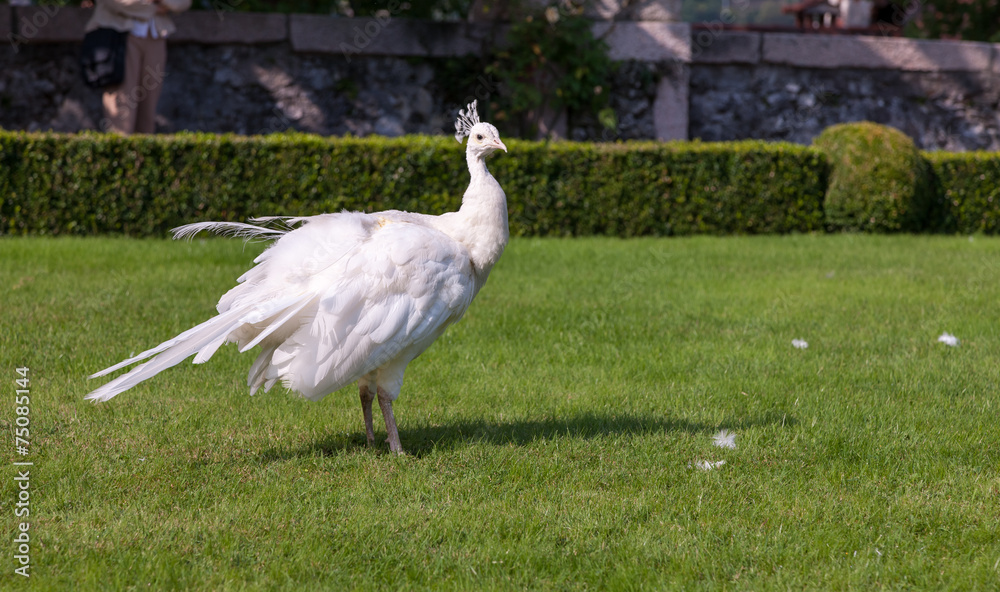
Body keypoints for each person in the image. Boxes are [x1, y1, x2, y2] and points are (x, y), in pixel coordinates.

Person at [85, 0, 190, 134]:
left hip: (155, 36)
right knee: (121, 103)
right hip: (120, 35)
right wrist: (152, 8)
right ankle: (120, 150)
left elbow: (182, 3)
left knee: (149, 106)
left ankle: (143, 151)